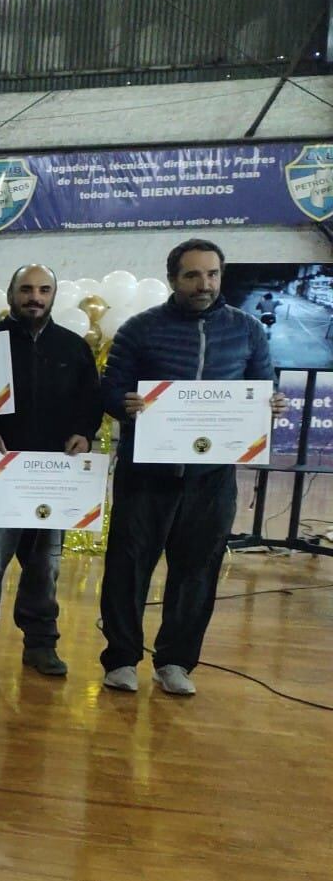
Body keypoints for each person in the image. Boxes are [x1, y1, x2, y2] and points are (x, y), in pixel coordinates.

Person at [99, 239, 288, 696]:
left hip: (212, 475)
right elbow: (108, 390)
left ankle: (176, 662)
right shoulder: (139, 329)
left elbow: (264, 385)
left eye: (212, 275)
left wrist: (272, 403)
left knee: (197, 570)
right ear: (173, 279)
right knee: (128, 566)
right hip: (147, 472)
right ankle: (122, 659)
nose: (204, 284)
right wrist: (125, 404)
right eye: (192, 275)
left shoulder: (247, 331)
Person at [0, 265, 102, 678]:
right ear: (10, 293)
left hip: (53, 479)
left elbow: (89, 402)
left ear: (54, 295)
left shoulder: (73, 347)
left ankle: (40, 645)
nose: (34, 297)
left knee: (45, 568)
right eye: (25, 289)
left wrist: (84, 435)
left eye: (43, 290)